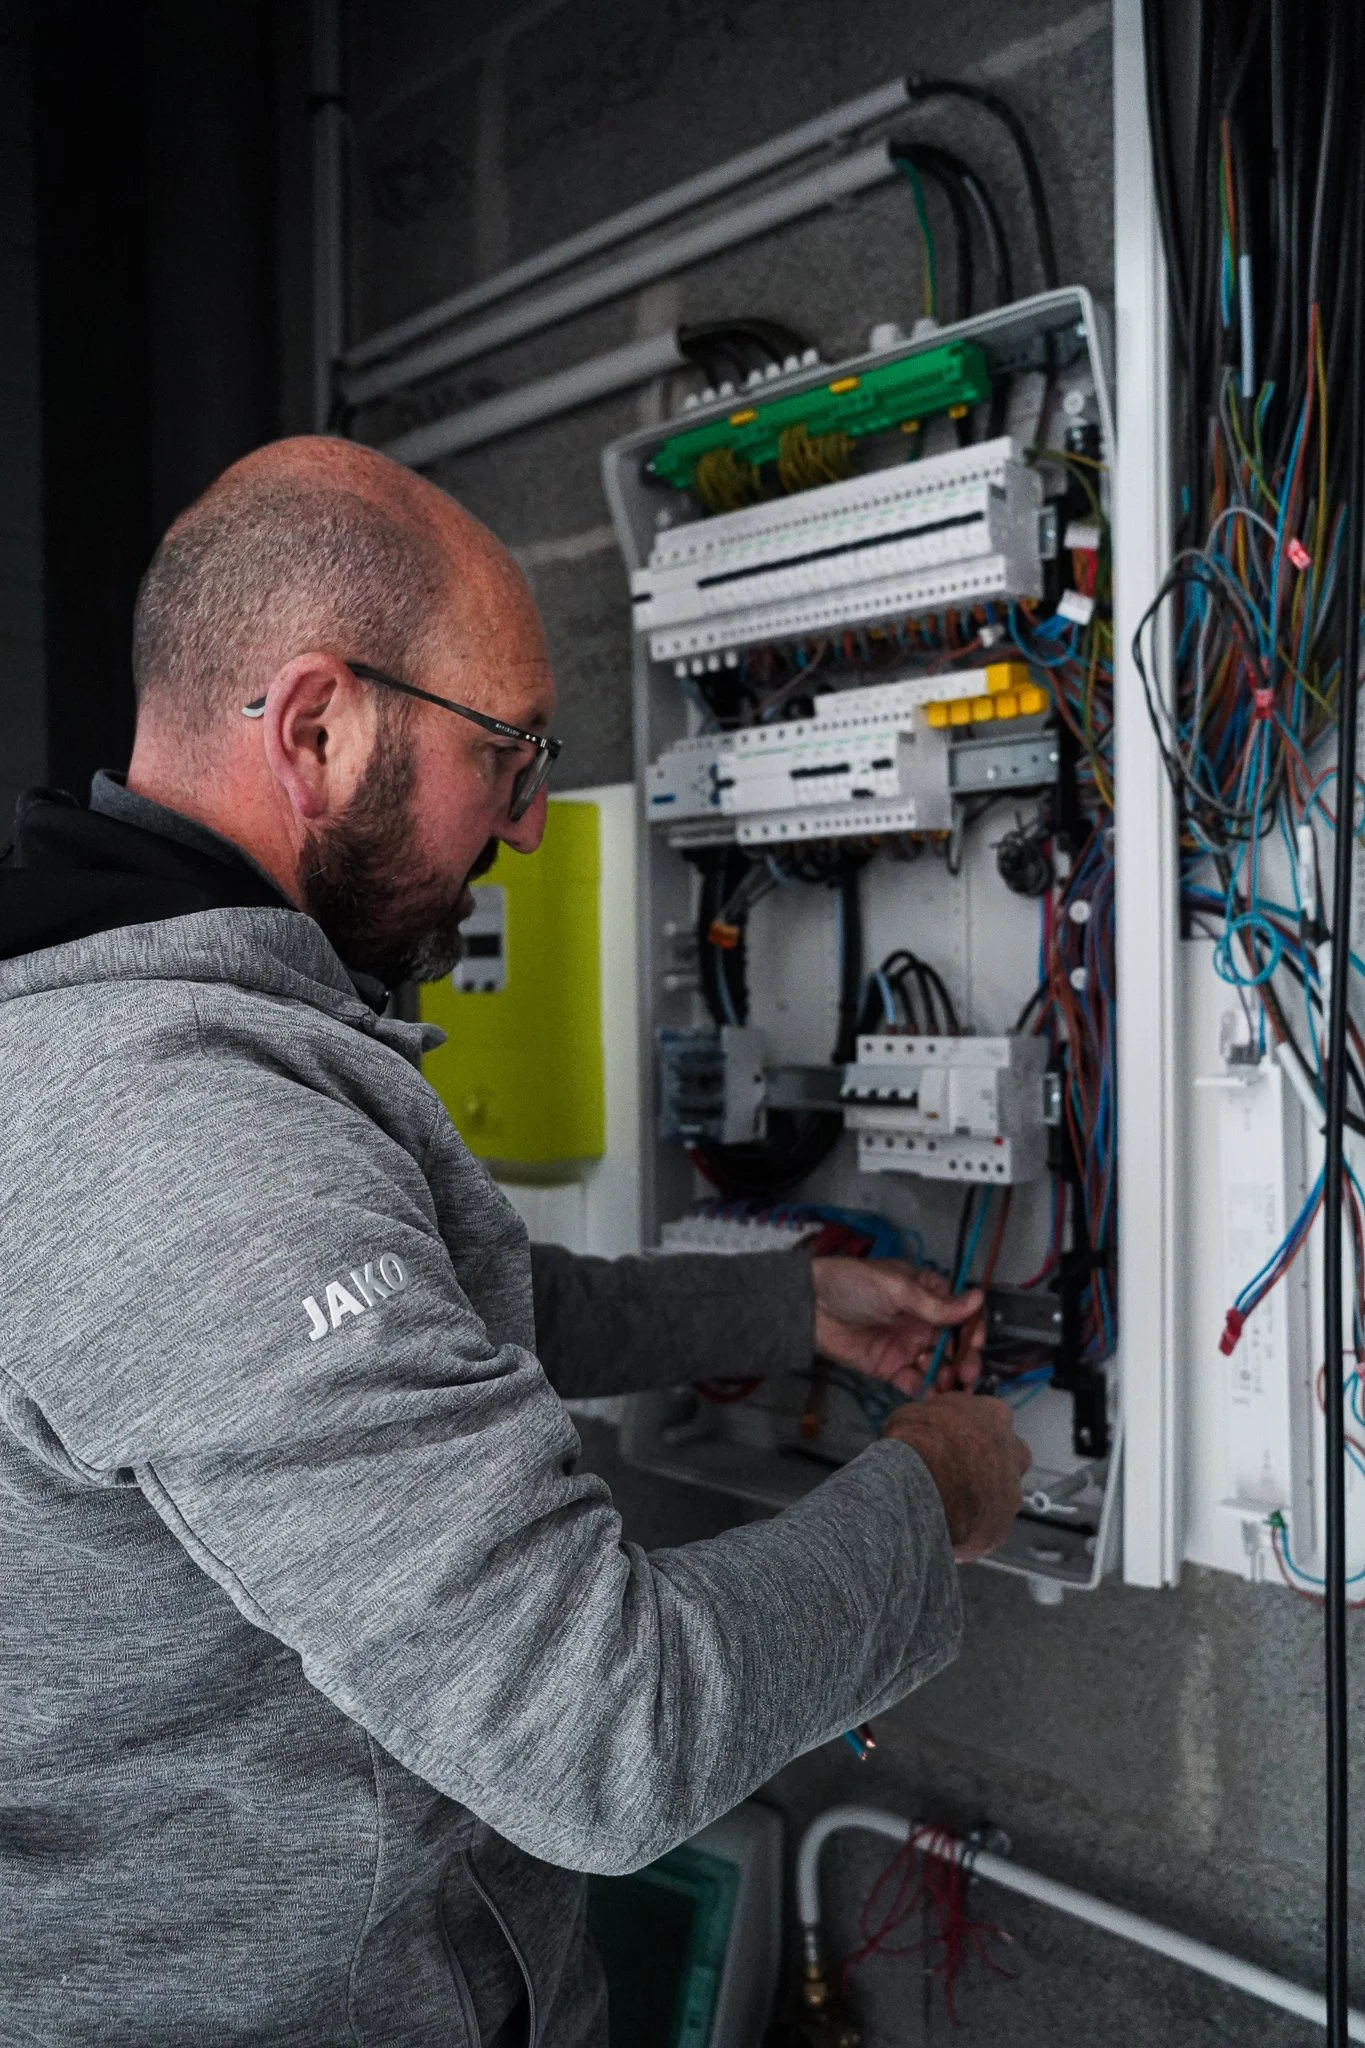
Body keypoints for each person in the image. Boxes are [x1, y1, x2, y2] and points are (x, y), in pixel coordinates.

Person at [0, 436, 1030, 2047]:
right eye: (511, 753)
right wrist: (941, 1494)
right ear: (321, 730)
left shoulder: (108, 1036)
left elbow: (426, 1325)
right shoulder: (184, 1137)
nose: (534, 827)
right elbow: (610, 1739)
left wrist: (777, 1306)